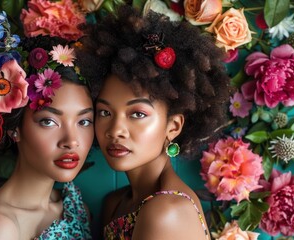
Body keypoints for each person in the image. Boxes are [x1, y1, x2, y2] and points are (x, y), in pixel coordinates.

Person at [75, 5, 231, 240]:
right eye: (105, 112)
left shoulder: (166, 212)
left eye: (137, 114)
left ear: (174, 126)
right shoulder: (116, 203)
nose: (115, 130)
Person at [0, 36, 94, 240]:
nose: (71, 141)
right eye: (48, 121)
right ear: (14, 128)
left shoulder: (75, 208)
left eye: (84, 122)